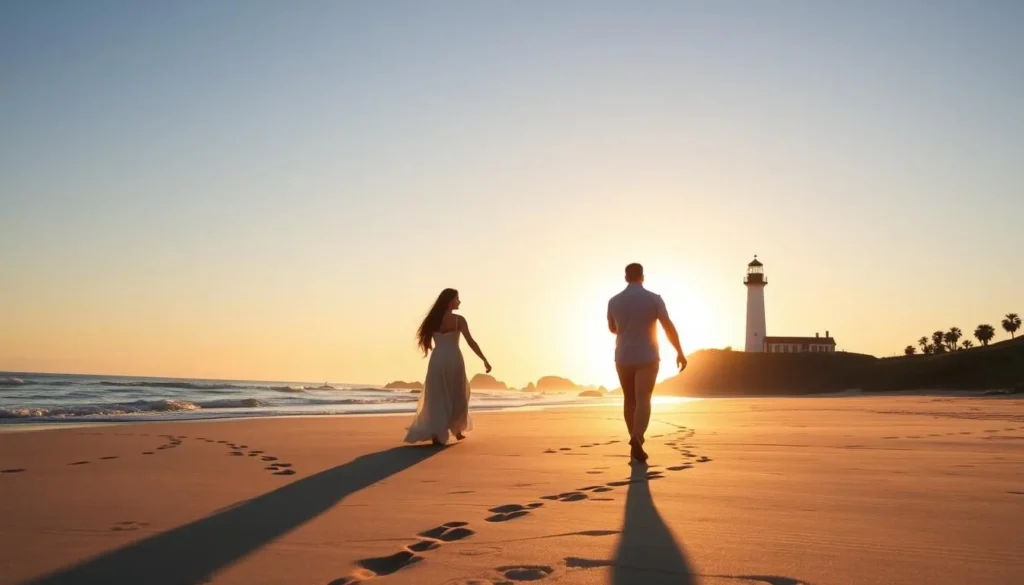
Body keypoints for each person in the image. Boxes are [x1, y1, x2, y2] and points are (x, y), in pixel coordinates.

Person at [607, 263, 686, 462]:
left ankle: (633, 438)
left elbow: (612, 328)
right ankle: (637, 438)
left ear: (626, 277)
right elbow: (667, 326)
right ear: (643, 276)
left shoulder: (614, 301)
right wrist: (679, 352)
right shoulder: (653, 299)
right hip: (647, 357)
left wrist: (627, 330)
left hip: (623, 356)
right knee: (644, 399)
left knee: (629, 400)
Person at [404, 288, 492, 446]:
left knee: (436, 395)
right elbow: (471, 341)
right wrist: (484, 359)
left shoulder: (432, 320)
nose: (459, 302)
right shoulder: (459, 320)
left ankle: (437, 433)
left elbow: (426, 340)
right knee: (458, 392)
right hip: (453, 358)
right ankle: (457, 430)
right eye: (457, 299)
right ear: (450, 301)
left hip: (437, 359)